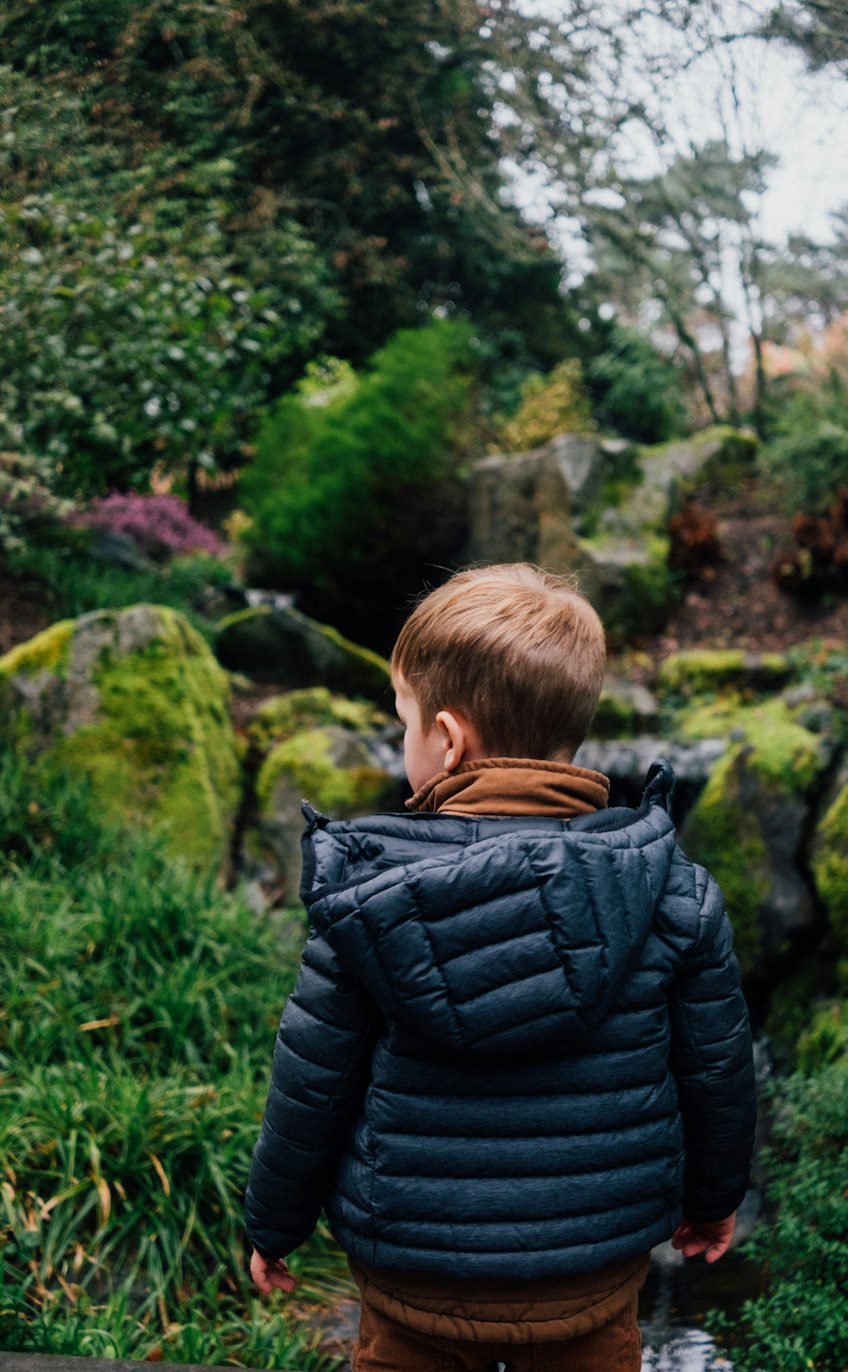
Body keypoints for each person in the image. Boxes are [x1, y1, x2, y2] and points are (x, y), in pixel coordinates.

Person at [245, 563, 756, 1372]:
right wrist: (715, 1199)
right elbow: (716, 1070)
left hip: (411, 1272)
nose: (402, 742)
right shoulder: (668, 889)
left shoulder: (367, 899)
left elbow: (312, 1084)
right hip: (593, 1268)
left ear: (446, 741)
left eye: (403, 722)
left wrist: (275, 1223)